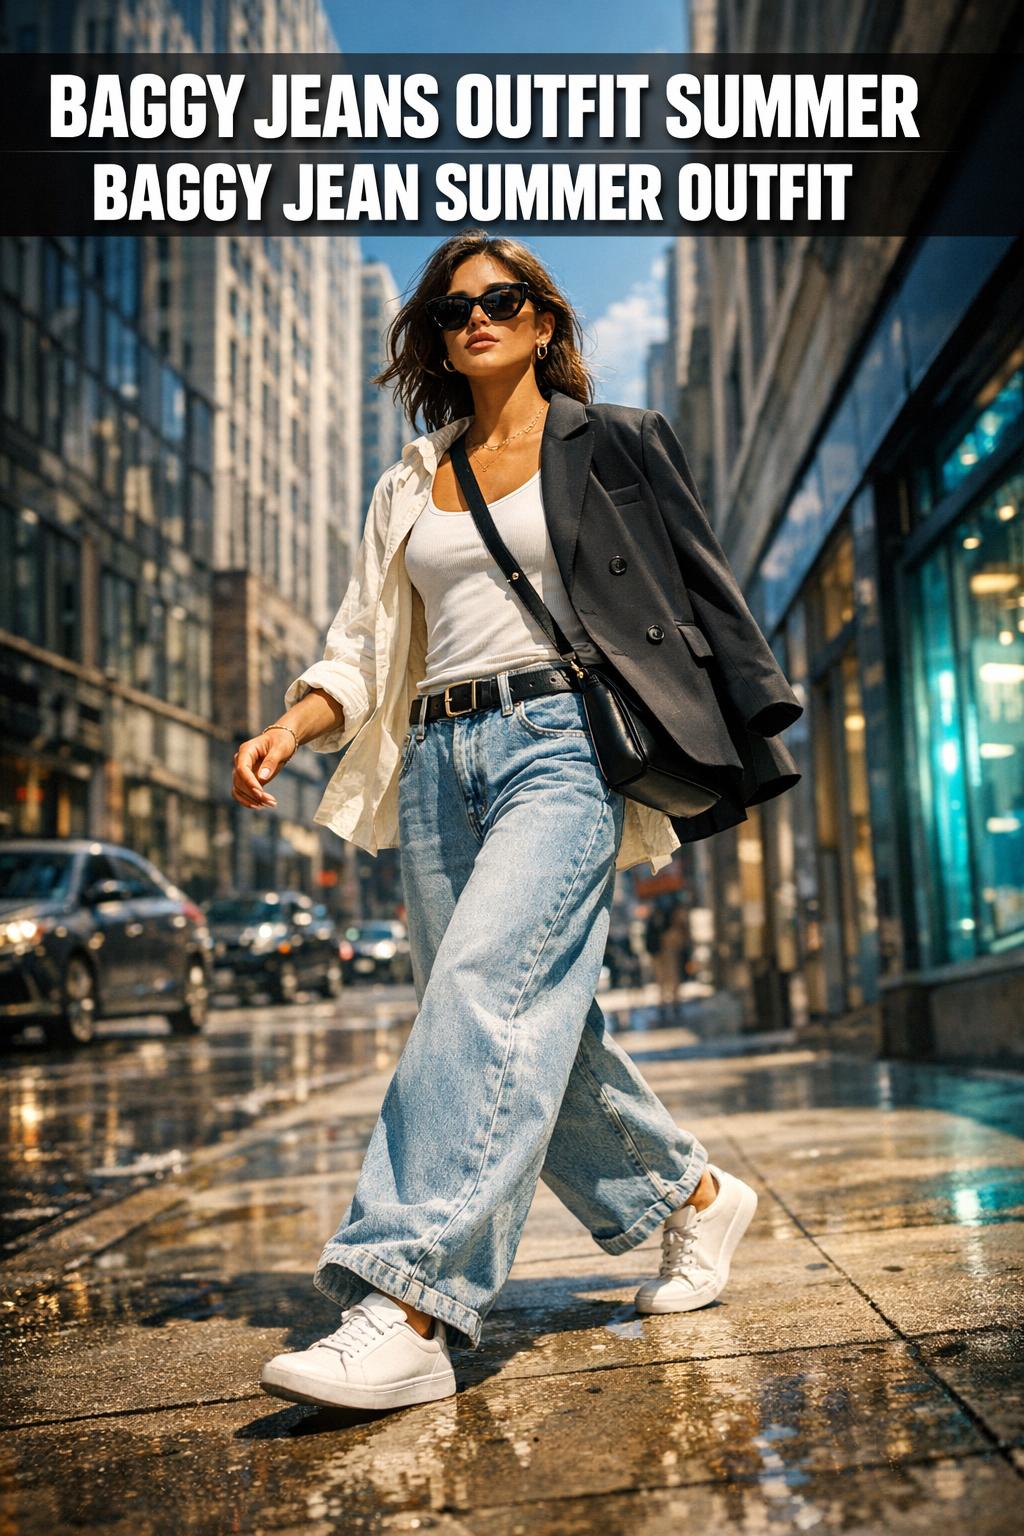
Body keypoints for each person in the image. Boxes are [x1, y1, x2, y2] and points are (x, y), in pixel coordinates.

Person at [231, 230, 789, 1413]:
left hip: (562, 746)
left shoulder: (614, 442)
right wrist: (295, 722)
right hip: (436, 754)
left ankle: (410, 1300)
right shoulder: (407, 478)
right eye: (451, 308)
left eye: (501, 300)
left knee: (486, 991)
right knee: (515, 1017)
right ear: (434, 337)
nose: (474, 318)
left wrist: (753, 719)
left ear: (542, 320)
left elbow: (697, 589)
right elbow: (366, 642)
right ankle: (692, 1196)